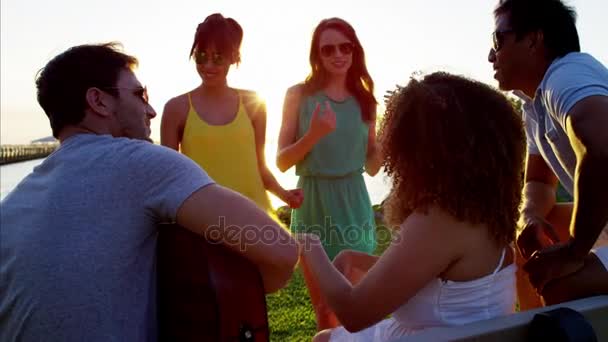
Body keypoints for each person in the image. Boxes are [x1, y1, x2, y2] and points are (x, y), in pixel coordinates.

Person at [0, 43, 299, 341]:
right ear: (98, 101)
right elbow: (281, 250)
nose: (152, 111)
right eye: (139, 95)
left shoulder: (11, 207)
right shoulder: (141, 161)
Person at [298, 72, 525, 342]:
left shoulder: (442, 220)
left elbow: (354, 312)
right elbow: (439, 280)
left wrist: (310, 245)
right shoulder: (482, 212)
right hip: (453, 333)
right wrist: (363, 262)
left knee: (323, 340)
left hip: (438, 337)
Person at [488, 0, 608, 308]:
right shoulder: (535, 103)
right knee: (531, 236)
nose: (491, 55)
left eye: (497, 41)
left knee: (559, 285)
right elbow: (540, 182)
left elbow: (602, 144)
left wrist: (575, 252)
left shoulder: (566, 75)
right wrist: (531, 217)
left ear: (533, 40)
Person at [275, 17, 382, 329]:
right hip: (314, 205)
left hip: (354, 204)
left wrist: (388, 137)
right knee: (325, 311)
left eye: (345, 47)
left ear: (354, 50)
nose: (338, 54)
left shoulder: (366, 101)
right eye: (328, 49)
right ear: (317, 55)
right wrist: (314, 134)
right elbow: (281, 161)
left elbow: (373, 168)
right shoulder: (298, 95)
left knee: (358, 308)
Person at [161, 13, 303, 213]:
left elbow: (259, 168)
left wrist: (285, 195)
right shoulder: (176, 108)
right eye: (201, 56)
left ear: (234, 57)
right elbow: (169, 176)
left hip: (256, 215)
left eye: (218, 58)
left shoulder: (253, 104)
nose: (208, 66)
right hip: (203, 220)